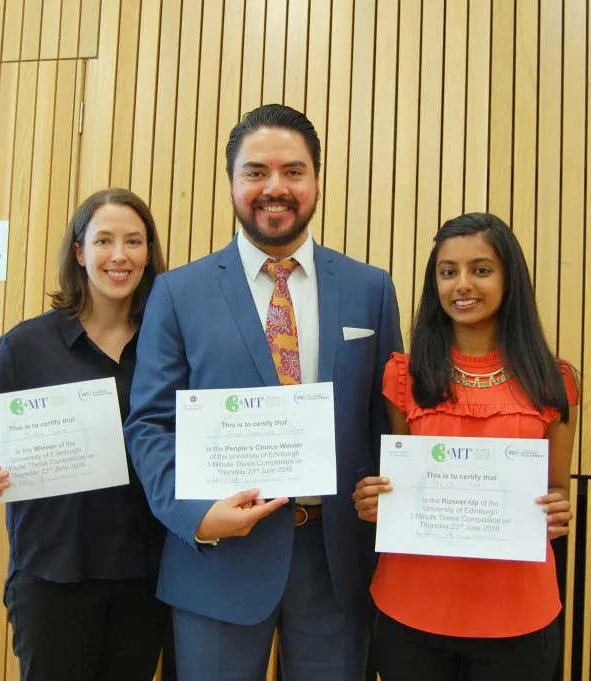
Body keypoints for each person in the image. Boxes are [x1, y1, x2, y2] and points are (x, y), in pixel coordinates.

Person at [125, 104, 403, 681]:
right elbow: (149, 424)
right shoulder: (178, 293)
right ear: (232, 182)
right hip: (219, 558)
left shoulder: (370, 289)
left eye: (293, 171)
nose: (275, 188)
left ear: (317, 181)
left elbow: (389, 422)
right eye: (256, 172)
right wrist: (196, 516)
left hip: (336, 564)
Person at [0, 188, 172, 681]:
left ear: (149, 254)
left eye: (134, 242)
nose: (119, 256)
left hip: (146, 575)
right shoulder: (26, 346)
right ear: (79, 251)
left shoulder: (168, 345)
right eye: (104, 240)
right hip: (53, 574)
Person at [352, 212, 579, 680]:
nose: (462, 285)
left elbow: (557, 489)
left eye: (481, 269)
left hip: (517, 615)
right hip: (411, 609)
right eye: (447, 271)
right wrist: (374, 498)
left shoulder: (554, 382)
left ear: (509, 278)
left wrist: (559, 510)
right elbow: (396, 481)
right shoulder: (403, 376)